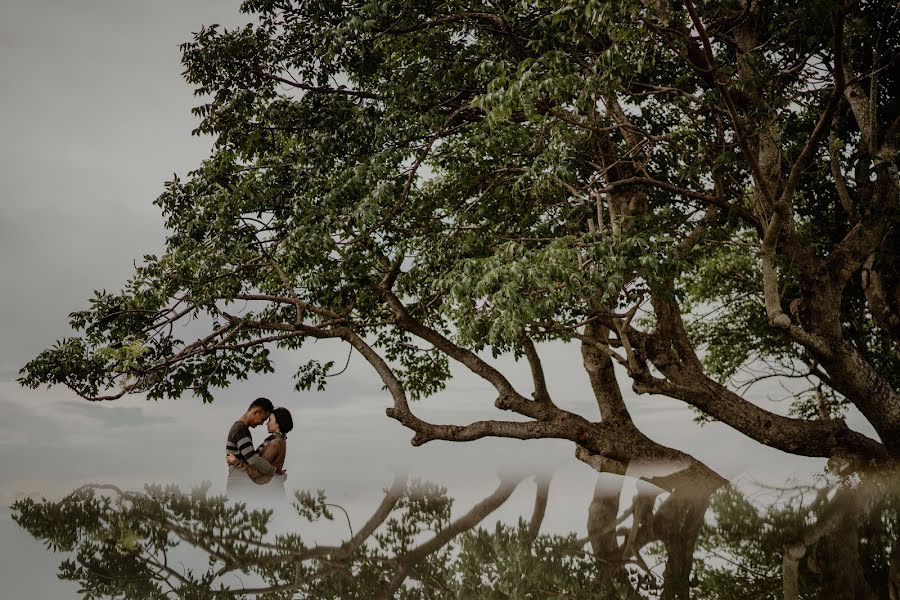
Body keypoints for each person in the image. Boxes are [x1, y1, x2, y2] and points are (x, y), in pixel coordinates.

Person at [227, 407, 292, 485]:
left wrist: (235, 462)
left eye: (270, 420)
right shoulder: (279, 441)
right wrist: (277, 473)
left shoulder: (275, 443)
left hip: (267, 490)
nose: (267, 423)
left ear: (277, 424)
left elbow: (256, 473)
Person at [226, 398, 278, 494]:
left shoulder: (239, 428)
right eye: (263, 419)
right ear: (255, 412)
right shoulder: (241, 430)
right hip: (239, 484)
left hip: (237, 482)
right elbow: (253, 460)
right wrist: (274, 472)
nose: (262, 423)